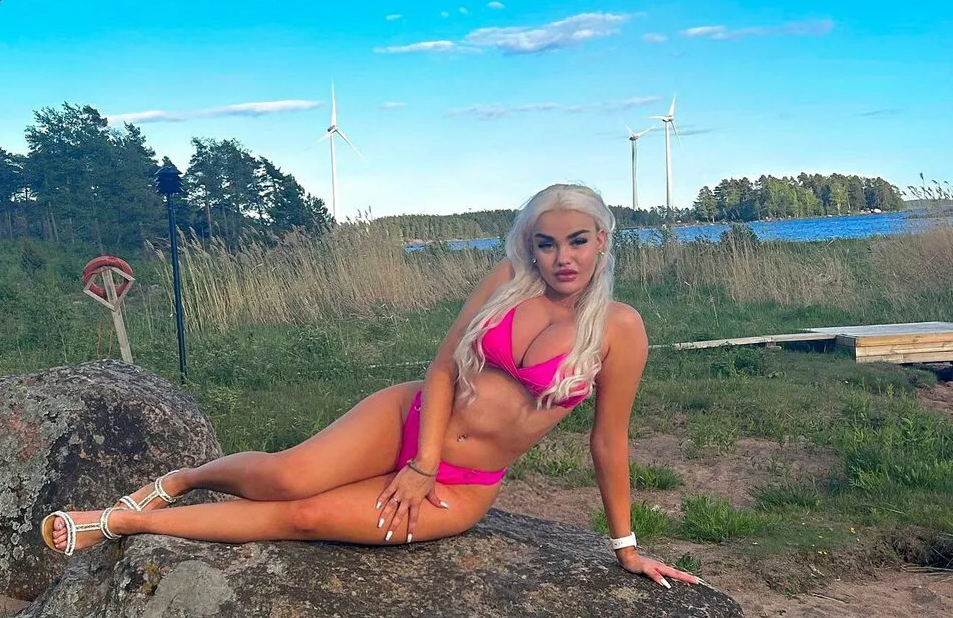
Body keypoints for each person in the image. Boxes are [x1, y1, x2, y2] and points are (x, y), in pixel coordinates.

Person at [42, 183, 696, 590]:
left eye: (577, 241)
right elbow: (443, 368)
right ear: (530, 246)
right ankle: (182, 479)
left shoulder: (620, 328)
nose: (562, 258)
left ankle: (124, 522)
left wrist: (626, 547)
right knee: (287, 476)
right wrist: (421, 459)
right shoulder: (506, 282)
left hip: (462, 486)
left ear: (602, 240)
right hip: (410, 418)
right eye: (547, 244)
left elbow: (609, 441)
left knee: (305, 517)